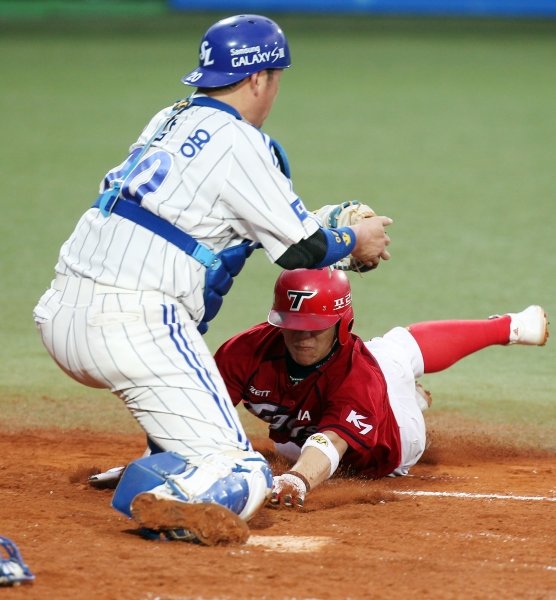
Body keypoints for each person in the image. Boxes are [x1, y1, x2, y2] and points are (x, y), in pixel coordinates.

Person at [33, 15, 392, 544]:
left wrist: (318, 227)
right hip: (133, 323)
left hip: (62, 313)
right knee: (246, 477)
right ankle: (173, 491)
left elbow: (215, 229)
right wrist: (352, 241)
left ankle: (173, 460)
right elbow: (302, 249)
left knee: (197, 403)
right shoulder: (240, 141)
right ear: (258, 78)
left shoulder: (168, 119)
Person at [212, 267, 549, 508]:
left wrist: (297, 480)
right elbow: (204, 408)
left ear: (342, 324)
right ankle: (402, 395)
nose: (302, 337)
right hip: (298, 441)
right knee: (291, 447)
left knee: (393, 351)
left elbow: (331, 441)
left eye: (315, 327)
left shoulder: (358, 374)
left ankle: (511, 327)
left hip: (392, 445)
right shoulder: (244, 351)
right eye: (293, 325)